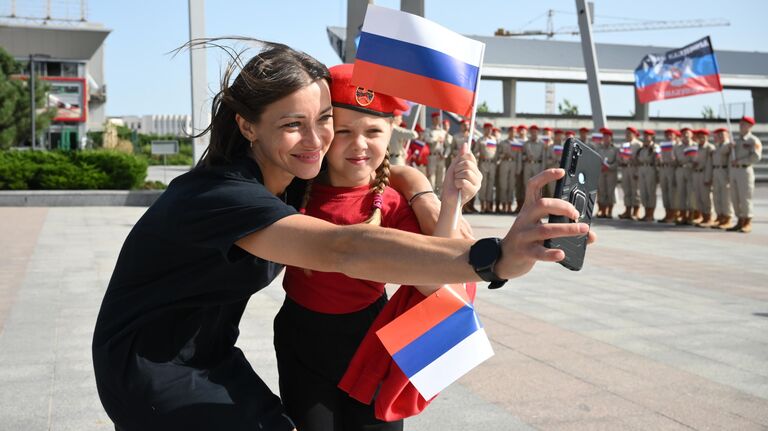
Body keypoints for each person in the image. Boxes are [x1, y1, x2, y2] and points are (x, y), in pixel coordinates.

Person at [92, 41, 595, 431]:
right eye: (293, 124)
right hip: (148, 368)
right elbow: (342, 246)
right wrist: (497, 257)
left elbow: (373, 177)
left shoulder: (289, 178)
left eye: (323, 121)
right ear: (247, 126)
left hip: (213, 356)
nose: (317, 141)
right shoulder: (224, 195)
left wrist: (421, 187)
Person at [274, 64, 481, 431]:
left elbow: (432, 281)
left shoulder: (393, 202)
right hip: (300, 341)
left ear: (390, 135)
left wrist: (449, 201)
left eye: (373, 131)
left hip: (368, 343)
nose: (359, 144)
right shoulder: (292, 186)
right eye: (343, 131)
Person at [727, 116, 763, 233]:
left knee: (745, 197)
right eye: (740, 124)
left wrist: (740, 161)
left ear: (750, 126)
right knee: (735, 197)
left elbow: (756, 157)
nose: (741, 126)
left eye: (744, 124)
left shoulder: (753, 140)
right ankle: (739, 220)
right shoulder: (736, 141)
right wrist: (730, 147)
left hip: (744, 170)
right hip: (734, 171)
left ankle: (747, 222)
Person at [710, 127, 734, 229]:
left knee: (725, 197)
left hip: (724, 171)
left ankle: (727, 218)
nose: (720, 136)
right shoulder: (717, 146)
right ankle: (720, 216)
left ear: (727, 135)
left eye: (722, 134)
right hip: (716, 171)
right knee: (717, 196)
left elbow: (730, 160)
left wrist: (730, 176)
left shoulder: (729, 145)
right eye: (718, 135)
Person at [496, 127, 523, 214]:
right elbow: (498, 154)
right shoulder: (503, 142)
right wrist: (503, 155)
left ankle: (509, 206)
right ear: (508, 132)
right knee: (503, 185)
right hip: (504, 163)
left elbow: (519, 157)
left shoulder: (517, 143)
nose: (512, 133)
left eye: (514, 132)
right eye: (511, 131)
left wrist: (518, 169)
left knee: (511, 186)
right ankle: (503, 205)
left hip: (513, 164)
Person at [691, 129, 715, 227]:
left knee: (706, 197)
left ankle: (709, 218)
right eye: (699, 136)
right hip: (696, 173)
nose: (701, 138)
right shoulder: (696, 148)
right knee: (698, 197)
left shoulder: (710, 148)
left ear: (707, 137)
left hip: (705, 174)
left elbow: (710, 164)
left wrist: (708, 178)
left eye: (703, 136)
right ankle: (703, 217)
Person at [674, 127, 697, 225]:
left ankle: (691, 215)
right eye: (683, 134)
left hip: (691, 171)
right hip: (680, 170)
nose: (686, 135)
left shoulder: (696, 146)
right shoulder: (678, 147)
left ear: (692, 134)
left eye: (687, 133)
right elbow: (675, 159)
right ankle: (683, 215)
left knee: (691, 193)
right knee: (681, 193)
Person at [618, 127, 642, 220]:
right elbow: (620, 156)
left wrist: (637, 171)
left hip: (634, 168)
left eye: (629, 133)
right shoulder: (624, 144)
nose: (627, 135)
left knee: (635, 190)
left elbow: (640, 159)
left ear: (634, 134)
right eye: (626, 133)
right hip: (625, 168)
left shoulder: (639, 144)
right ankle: (627, 210)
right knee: (626, 190)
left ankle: (636, 212)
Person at [636, 129, 659, 222]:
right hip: (642, 169)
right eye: (644, 136)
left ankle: (651, 214)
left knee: (650, 192)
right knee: (643, 192)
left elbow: (658, 161)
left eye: (648, 136)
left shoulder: (655, 147)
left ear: (652, 137)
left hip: (651, 169)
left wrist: (658, 174)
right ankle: (646, 213)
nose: (645, 138)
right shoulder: (642, 148)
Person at [657, 128, 679, 223]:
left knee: (672, 193)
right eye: (667, 134)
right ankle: (667, 213)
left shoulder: (677, 145)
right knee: (665, 192)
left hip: (672, 168)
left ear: (675, 135)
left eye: (671, 134)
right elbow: (659, 155)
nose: (668, 136)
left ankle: (674, 214)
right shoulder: (662, 145)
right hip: (663, 168)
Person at [596, 128, 618, 218]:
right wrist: (601, 167)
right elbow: (596, 160)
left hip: (611, 173)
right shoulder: (599, 148)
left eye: (607, 137)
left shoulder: (615, 149)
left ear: (611, 138)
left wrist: (609, 167)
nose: (605, 138)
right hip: (601, 172)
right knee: (601, 191)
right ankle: (603, 211)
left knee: (610, 192)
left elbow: (617, 161)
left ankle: (610, 211)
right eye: (604, 137)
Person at [476, 122, 498, 213]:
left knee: (490, 185)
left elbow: (497, 152)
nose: (489, 130)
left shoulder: (495, 140)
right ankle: (482, 206)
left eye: (490, 129)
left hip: (492, 164)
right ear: (484, 129)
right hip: (483, 163)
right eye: (487, 129)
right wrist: (479, 156)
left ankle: (489, 206)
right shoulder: (480, 140)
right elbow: (475, 152)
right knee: (483, 185)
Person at [425, 112, 449, 194]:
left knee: (440, 178)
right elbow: (427, 139)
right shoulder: (428, 130)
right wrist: (436, 139)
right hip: (432, 156)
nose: (437, 120)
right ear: (432, 119)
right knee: (431, 177)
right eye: (435, 119)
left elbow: (448, 146)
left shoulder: (443, 132)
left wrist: (445, 155)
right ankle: (431, 194)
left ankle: (438, 196)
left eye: (438, 119)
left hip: (441, 157)